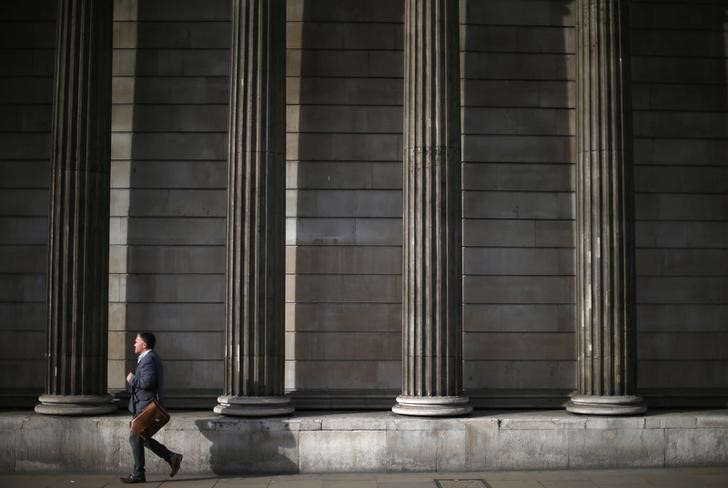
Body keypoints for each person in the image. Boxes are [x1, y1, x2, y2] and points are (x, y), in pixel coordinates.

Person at [120, 332, 183, 484]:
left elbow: (147, 383)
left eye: (136, 342)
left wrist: (132, 380)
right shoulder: (147, 358)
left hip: (145, 404)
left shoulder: (148, 359)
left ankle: (139, 474)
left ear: (144, 345)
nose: (134, 344)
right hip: (142, 403)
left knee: (135, 437)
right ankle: (171, 457)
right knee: (142, 437)